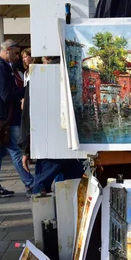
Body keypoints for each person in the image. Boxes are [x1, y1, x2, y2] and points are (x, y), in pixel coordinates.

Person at [20, 56, 84, 196]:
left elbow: (28, 115)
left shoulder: (38, 76)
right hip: (77, 146)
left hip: (48, 145)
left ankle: (44, 216)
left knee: (41, 193)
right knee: (73, 194)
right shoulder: (80, 73)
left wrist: (26, 149)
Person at [0, 39, 34, 198]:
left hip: (3, 117)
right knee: (16, 151)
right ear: (7, 50)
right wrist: (27, 90)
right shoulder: (0, 68)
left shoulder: (2, 67)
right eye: (15, 53)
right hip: (6, 118)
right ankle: (30, 183)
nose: (18, 57)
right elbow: (6, 95)